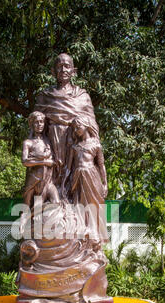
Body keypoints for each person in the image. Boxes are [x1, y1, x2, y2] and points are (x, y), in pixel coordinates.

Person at [34, 53, 99, 190]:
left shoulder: (82, 96)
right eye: (59, 66)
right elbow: (36, 124)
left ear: (73, 71)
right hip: (52, 142)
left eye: (67, 66)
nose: (63, 70)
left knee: (74, 178)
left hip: (76, 141)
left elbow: (92, 124)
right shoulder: (45, 96)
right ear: (53, 71)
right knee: (52, 179)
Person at [63, 116, 108, 243]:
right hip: (78, 177)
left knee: (93, 204)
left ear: (86, 126)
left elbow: (101, 165)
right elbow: (68, 167)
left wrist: (105, 183)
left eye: (79, 127)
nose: (76, 130)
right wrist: (63, 182)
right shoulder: (75, 147)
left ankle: (94, 234)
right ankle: (82, 231)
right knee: (80, 204)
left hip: (92, 176)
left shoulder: (96, 144)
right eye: (75, 128)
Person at [22, 111, 59, 208]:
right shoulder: (28, 142)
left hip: (48, 181)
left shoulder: (48, 141)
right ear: (31, 124)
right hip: (34, 181)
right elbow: (25, 161)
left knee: (56, 202)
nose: (40, 124)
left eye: (42, 122)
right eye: (36, 122)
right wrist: (44, 162)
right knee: (26, 212)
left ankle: (42, 210)